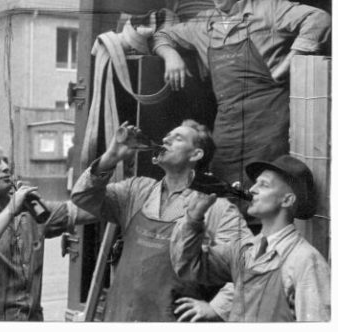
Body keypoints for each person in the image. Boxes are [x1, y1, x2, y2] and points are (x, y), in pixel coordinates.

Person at [153, 0, 331, 186]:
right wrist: (170, 54)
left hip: (269, 130)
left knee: (264, 194)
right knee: (223, 196)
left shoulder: (270, 10)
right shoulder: (203, 24)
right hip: (226, 133)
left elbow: (319, 19)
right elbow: (162, 35)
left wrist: (290, 62)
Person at [71, 119, 252, 322]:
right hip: (120, 315)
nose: (166, 139)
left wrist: (217, 307)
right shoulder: (137, 191)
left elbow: (251, 264)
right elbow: (83, 197)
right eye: (167, 136)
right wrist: (112, 156)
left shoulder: (216, 208)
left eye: (178, 138)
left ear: (196, 154)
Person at [0, 141, 96, 321]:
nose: (5, 167)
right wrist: (10, 211)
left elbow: (86, 211)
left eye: (6, 162)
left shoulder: (30, 209)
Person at [170, 155, 330, 321]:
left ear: (287, 200)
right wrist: (194, 217)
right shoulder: (243, 250)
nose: (252, 189)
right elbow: (188, 266)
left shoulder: (305, 260)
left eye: (264, 184)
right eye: (255, 183)